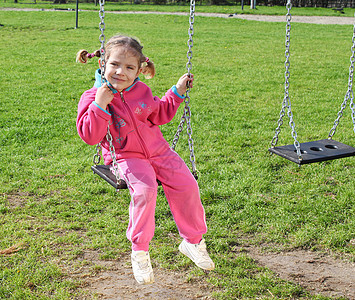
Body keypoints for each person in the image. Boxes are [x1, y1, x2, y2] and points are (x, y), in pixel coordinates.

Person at [76, 35, 214, 285]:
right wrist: (99, 105)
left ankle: (193, 242)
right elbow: (89, 135)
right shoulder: (93, 95)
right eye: (114, 65)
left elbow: (158, 114)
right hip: (125, 156)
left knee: (187, 185)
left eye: (129, 67)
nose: (120, 72)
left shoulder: (142, 90)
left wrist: (177, 92)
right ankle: (140, 251)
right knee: (145, 190)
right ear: (102, 65)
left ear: (139, 70)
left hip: (159, 150)